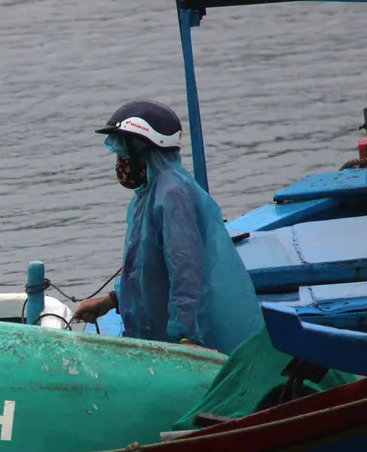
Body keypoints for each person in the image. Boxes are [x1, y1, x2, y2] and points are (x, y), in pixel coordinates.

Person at [73, 99, 263, 356]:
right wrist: (111, 301)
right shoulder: (148, 193)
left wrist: (187, 336)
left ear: (142, 149)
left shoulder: (173, 195)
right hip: (154, 335)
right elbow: (142, 268)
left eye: (123, 150)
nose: (120, 161)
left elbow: (186, 270)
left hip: (178, 340)